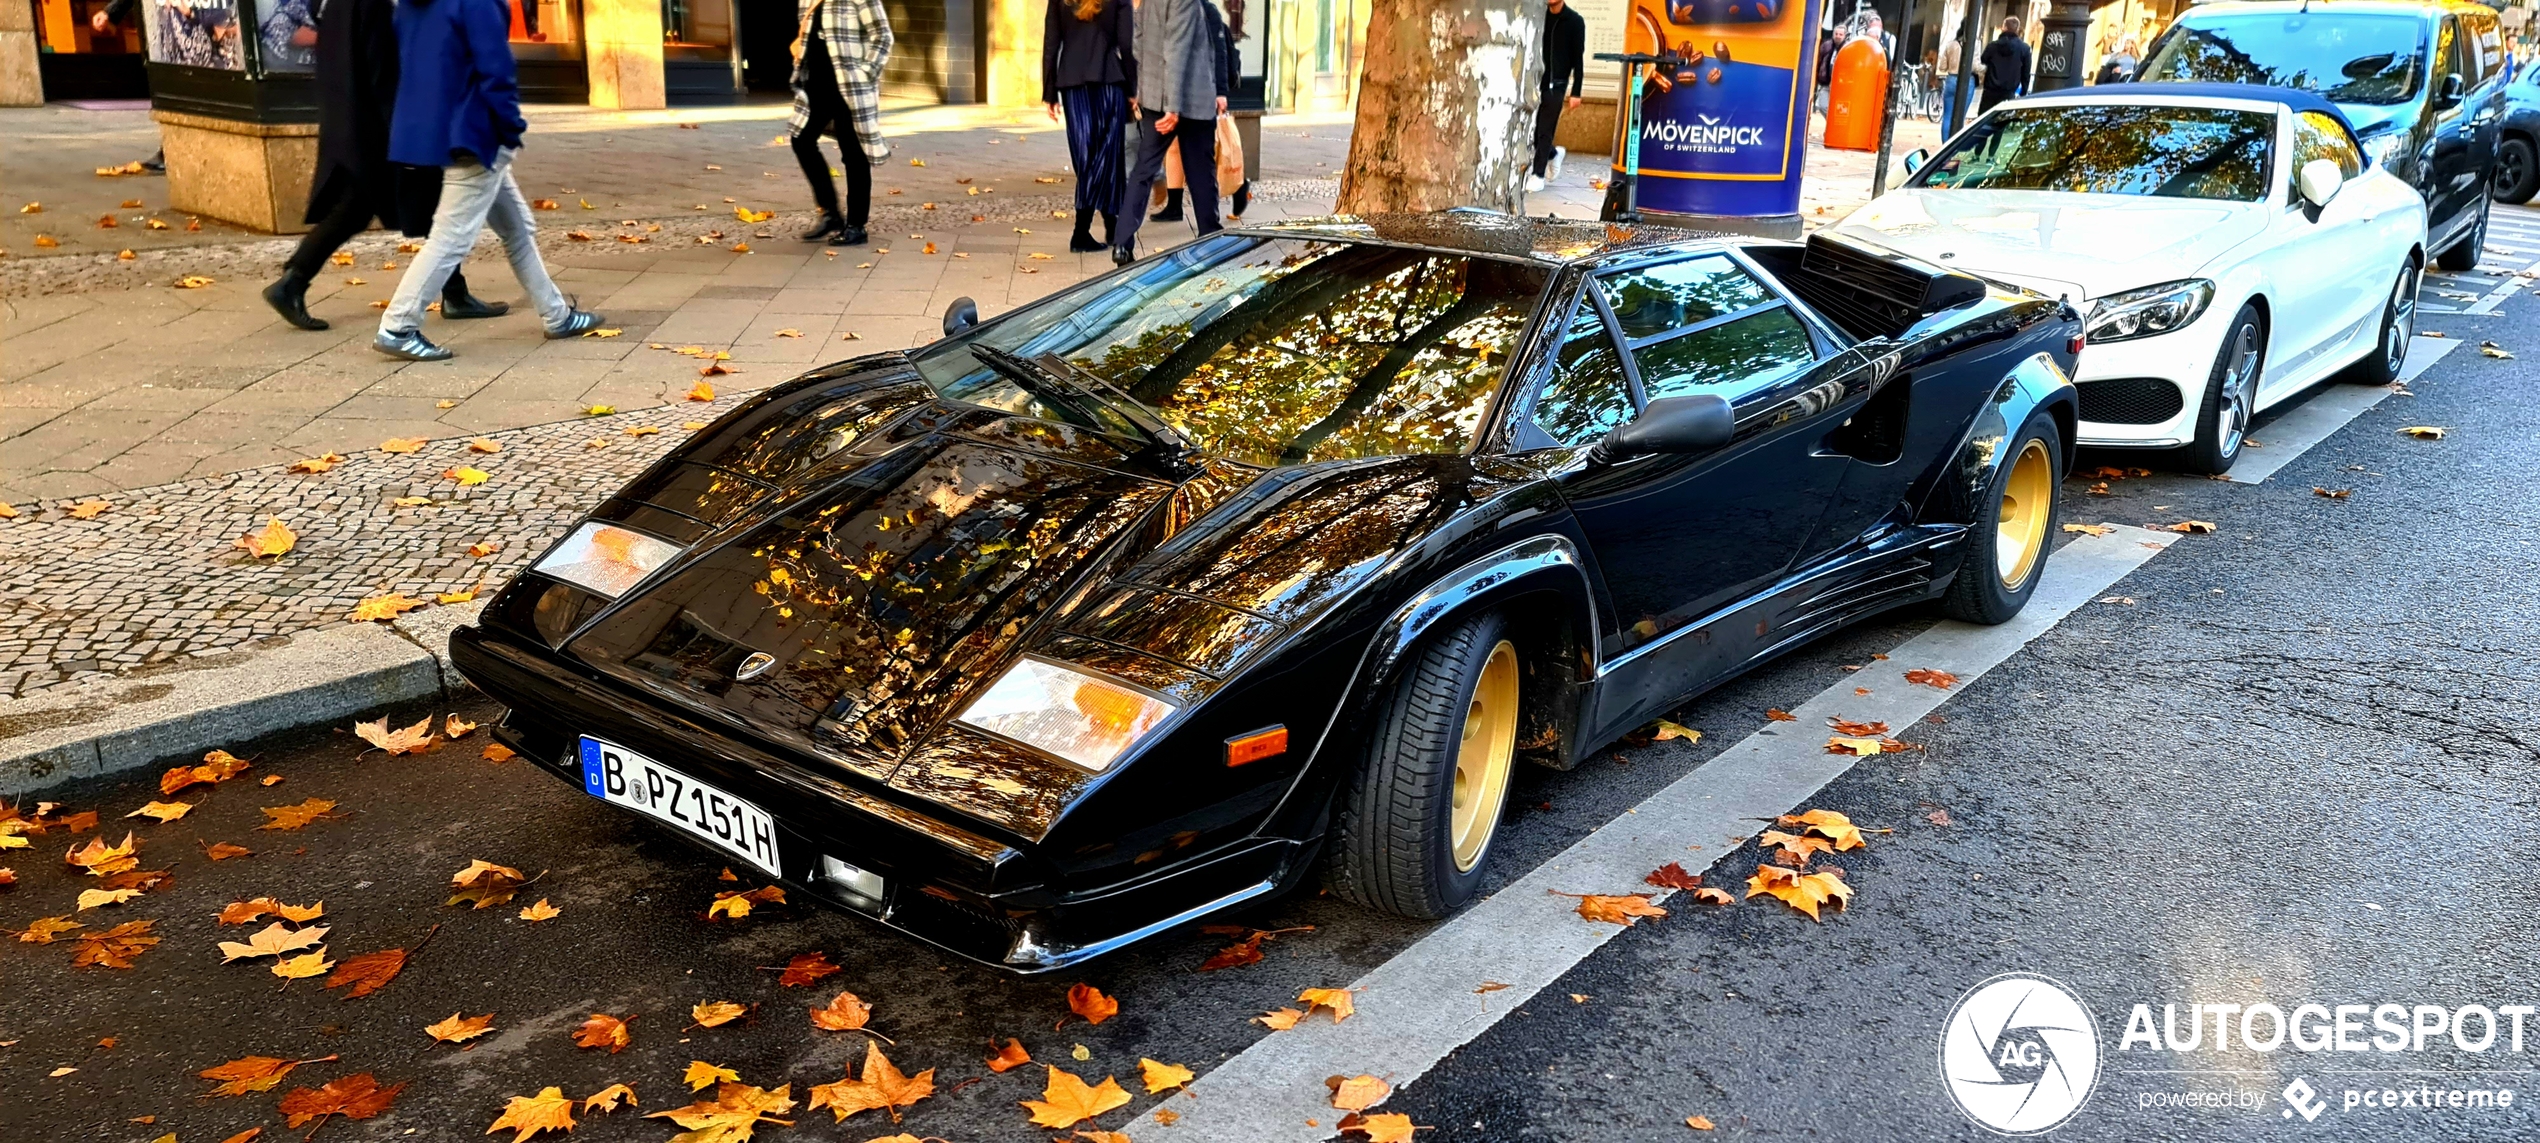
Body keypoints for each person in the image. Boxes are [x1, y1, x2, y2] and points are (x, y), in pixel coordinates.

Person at [375, 0, 599, 361]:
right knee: (452, 236)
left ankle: (557, 315)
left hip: (437, 130)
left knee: (517, 227)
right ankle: (398, 326)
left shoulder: (410, 6)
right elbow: (496, 70)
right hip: (475, 132)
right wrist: (510, 128)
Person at [264, 0, 502, 331]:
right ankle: (292, 283)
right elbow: (381, 75)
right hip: (373, 128)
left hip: (349, 119)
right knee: (409, 207)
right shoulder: (370, 7)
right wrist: (408, 128)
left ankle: (454, 292)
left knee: (367, 208)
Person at [1113, 0, 1226, 267]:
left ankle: (1122, 243)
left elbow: (1137, 45)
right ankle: (1210, 237)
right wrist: (1172, 108)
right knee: (1200, 173)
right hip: (1188, 102)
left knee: (1143, 170)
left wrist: (1144, 91)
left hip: (1154, 99)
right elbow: (1177, 50)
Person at [790, 0, 895, 247]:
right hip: (816, 84)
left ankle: (856, 226)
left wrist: (865, 73)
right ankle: (830, 213)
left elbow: (883, 36)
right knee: (801, 140)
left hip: (850, 87)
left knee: (853, 153)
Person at [1043, 0, 1136, 253]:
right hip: (1108, 79)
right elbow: (1127, 44)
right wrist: (1133, 88)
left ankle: (1088, 230)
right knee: (1108, 156)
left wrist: (1050, 93)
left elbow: (1051, 43)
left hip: (1072, 83)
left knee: (1087, 158)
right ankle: (1107, 226)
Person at [1528, 0, 1585, 193]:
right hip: (1534, 83)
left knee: (1545, 130)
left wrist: (1576, 91)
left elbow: (1578, 59)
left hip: (1556, 85)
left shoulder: (1574, 21)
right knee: (1534, 134)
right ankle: (1554, 154)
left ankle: (1538, 175)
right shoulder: (1537, 16)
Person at [1978, 16, 2031, 112]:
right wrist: (2024, 91)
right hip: (2009, 92)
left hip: (1990, 90)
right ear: (2017, 29)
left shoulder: (1992, 46)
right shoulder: (2024, 49)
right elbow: (2026, 73)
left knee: (1984, 121)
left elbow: (1982, 61)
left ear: (2004, 28)